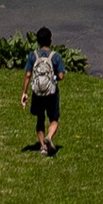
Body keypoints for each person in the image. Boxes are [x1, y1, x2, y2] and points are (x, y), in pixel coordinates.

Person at [21, 26, 62, 154]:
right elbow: (61, 76)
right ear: (50, 41)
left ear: (38, 42)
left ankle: (42, 146)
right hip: (51, 92)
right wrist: (54, 78)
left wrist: (24, 93)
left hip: (37, 92)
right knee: (54, 119)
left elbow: (28, 75)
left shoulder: (33, 56)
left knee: (40, 119)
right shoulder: (56, 56)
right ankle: (48, 137)